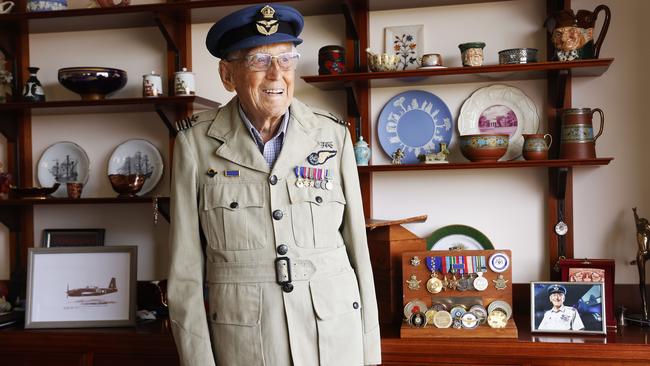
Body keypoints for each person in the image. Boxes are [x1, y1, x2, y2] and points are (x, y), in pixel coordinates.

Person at [167, 4, 381, 366]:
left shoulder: (332, 136)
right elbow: (184, 272)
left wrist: (369, 350)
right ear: (227, 74)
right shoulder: (196, 145)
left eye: (286, 60)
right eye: (259, 61)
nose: (276, 75)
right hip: (247, 342)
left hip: (333, 338)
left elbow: (357, 249)